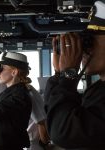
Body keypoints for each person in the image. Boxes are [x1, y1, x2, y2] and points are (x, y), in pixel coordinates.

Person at [44, 0, 105, 150]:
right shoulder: (97, 89)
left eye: (90, 41)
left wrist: (68, 76)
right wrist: (59, 75)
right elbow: (54, 116)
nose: (85, 48)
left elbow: (62, 133)